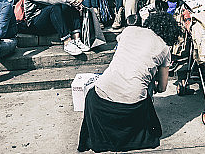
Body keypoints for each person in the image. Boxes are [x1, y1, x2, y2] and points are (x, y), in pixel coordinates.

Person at [78, 12, 182, 152]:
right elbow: (163, 88)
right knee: (145, 83)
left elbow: (121, 46)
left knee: (92, 93)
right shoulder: (164, 48)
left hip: (100, 103)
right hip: (131, 108)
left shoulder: (129, 30)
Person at [23, 0, 88, 56]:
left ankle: (76, 39)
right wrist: (70, 1)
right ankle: (67, 42)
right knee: (55, 6)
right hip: (37, 24)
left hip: (55, 21)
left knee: (69, 5)